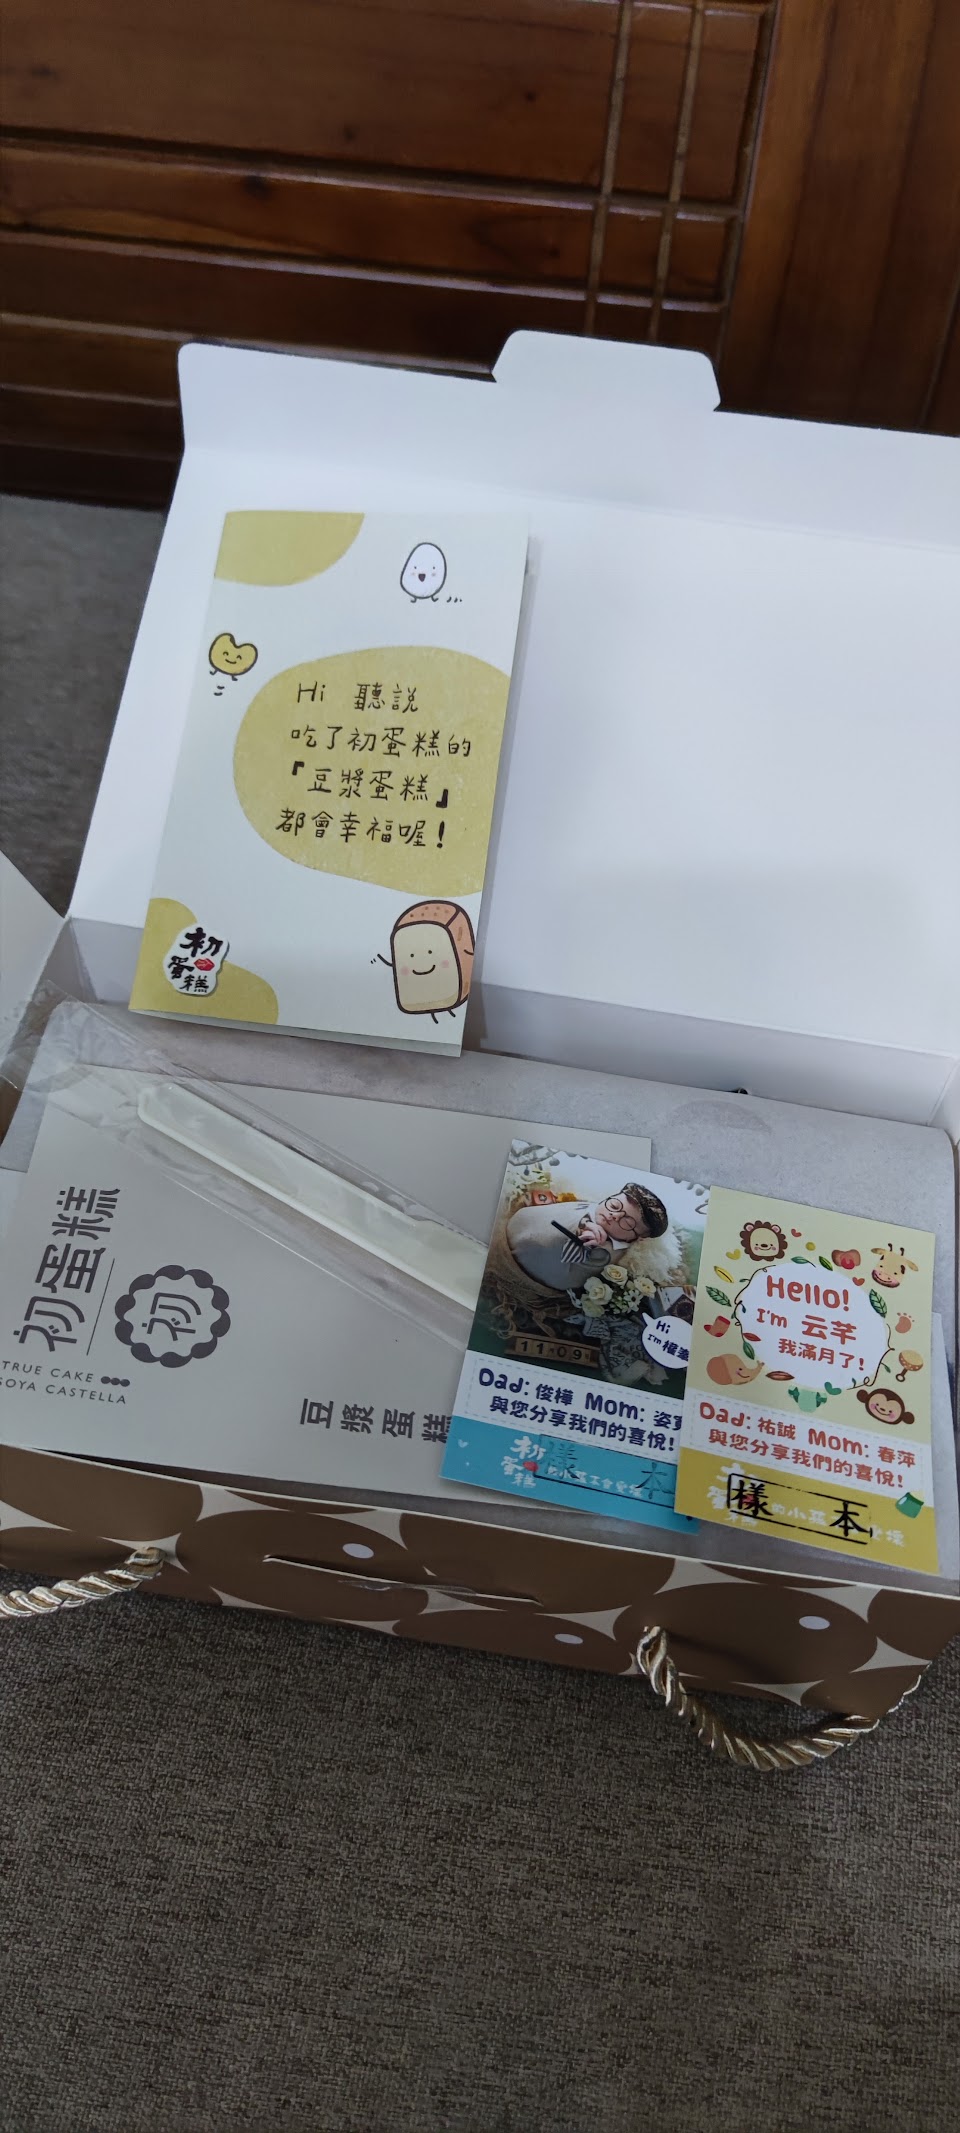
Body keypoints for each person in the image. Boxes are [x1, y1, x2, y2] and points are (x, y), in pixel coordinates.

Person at [505, 1182, 669, 1295]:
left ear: (639, 1238)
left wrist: (586, 1237)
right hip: (525, 1224)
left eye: (627, 1222)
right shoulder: (598, 1210)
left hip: (536, 1259)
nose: (614, 1216)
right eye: (614, 1205)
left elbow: (572, 1259)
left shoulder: (605, 1250)